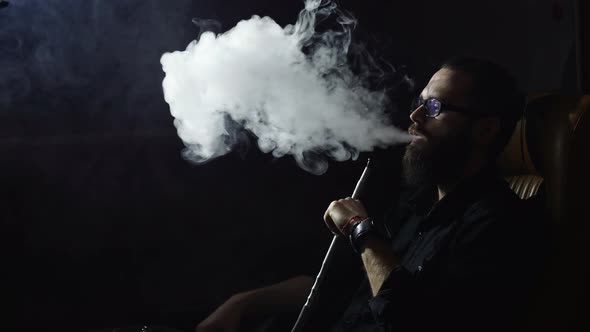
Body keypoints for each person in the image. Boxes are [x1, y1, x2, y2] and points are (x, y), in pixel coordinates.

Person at [196, 56, 545, 332]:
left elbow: (413, 323)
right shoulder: (418, 204)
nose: (415, 116)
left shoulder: (498, 223)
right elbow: (336, 286)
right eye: (419, 102)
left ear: (484, 129)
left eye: (435, 108)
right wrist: (243, 302)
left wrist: (361, 230)